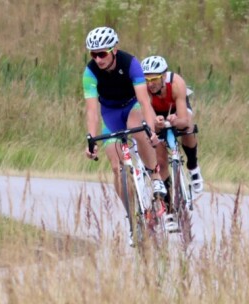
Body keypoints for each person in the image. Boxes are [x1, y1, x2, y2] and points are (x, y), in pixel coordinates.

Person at [82, 27, 167, 243]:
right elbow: (92, 111)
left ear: (114, 50)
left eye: (102, 53)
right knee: (117, 168)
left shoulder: (131, 63)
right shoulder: (90, 73)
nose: (98, 59)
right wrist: (91, 139)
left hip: (132, 106)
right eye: (93, 54)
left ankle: (155, 176)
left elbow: (145, 101)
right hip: (110, 114)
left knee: (137, 130)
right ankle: (133, 219)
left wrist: (150, 127)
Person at [141, 55, 204, 232]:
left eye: (153, 79)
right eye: (146, 80)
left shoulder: (176, 83)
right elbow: (148, 118)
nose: (150, 84)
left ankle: (193, 167)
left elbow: (184, 119)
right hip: (156, 113)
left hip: (176, 109)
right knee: (160, 161)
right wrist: (157, 123)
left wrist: (175, 121)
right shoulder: (144, 90)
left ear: (163, 76)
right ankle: (169, 211)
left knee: (188, 128)